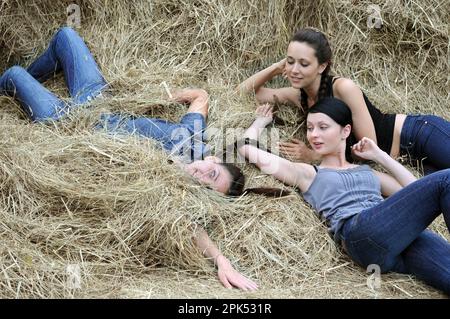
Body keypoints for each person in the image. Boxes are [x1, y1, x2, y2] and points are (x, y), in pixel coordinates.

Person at [0, 27, 257, 291]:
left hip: (67, 125)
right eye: (211, 174)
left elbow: (193, 229)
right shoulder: (192, 139)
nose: (200, 177)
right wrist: (159, 96)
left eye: (206, 187)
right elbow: (201, 96)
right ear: (212, 159)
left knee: (14, 75)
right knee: (65, 36)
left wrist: (222, 261)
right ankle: (33, 82)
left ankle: (18, 89)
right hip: (99, 100)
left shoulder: (170, 190)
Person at [237, 97, 450, 295]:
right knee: (446, 179)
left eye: (323, 127)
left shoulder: (368, 172)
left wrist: (380, 156)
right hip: (358, 232)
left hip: (393, 241)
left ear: (345, 131)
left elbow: (416, 190)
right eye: (310, 128)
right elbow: (246, 148)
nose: (314, 135)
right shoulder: (308, 173)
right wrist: (260, 122)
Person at [239, 27, 450, 174]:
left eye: (304, 64)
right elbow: (243, 93)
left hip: (418, 134)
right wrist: (277, 66)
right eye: (291, 61)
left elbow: (370, 147)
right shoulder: (299, 95)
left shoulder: (343, 88)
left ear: (322, 66)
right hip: (408, 160)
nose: (294, 70)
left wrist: (313, 155)